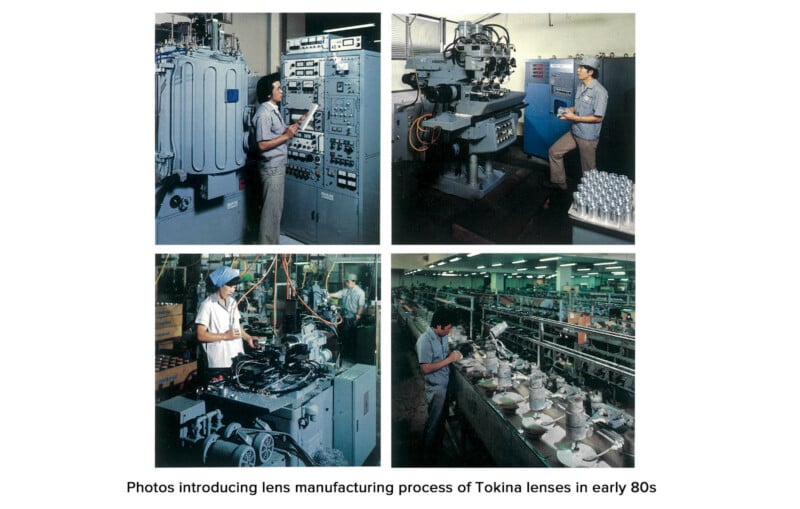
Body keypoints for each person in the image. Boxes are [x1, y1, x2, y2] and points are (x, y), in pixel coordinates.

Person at [545, 56, 608, 191]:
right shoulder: (581, 86)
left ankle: (591, 195)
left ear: (590, 72)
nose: (578, 70)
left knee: (588, 170)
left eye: (582, 68)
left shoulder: (600, 91)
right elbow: (579, 107)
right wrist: (570, 110)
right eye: (579, 67)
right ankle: (559, 184)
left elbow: (598, 118)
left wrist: (574, 117)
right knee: (554, 152)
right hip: (575, 131)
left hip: (587, 137)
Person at [251, 73, 300, 244]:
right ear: (268, 93)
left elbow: (278, 133)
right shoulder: (264, 113)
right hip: (271, 169)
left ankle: (272, 244)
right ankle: (267, 247)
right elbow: (262, 145)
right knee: (271, 213)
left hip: (277, 166)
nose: (282, 91)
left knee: (274, 211)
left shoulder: (273, 110)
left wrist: (297, 124)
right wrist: (287, 136)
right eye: (278, 88)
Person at [415, 308, 463, 465]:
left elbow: (442, 354)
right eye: (448, 328)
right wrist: (450, 359)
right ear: (439, 326)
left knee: (441, 421)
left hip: (444, 385)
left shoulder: (442, 336)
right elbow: (426, 368)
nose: (449, 331)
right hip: (436, 389)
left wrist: (453, 352)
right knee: (434, 423)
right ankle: (426, 459)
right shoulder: (425, 341)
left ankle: (436, 450)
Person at [195, 266, 255, 382]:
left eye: (234, 287)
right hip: (219, 361)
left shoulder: (232, 302)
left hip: (237, 357)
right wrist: (225, 336)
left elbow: (236, 326)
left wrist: (248, 338)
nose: (232, 290)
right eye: (230, 286)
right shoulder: (207, 305)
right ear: (220, 285)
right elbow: (200, 335)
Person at [329, 273, 366, 359]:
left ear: (353, 281)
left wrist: (358, 315)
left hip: (353, 317)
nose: (346, 283)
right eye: (346, 281)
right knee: (344, 335)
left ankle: (351, 355)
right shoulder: (346, 290)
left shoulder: (360, 292)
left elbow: (361, 305)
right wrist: (327, 294)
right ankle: (345, 354)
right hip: (345, 316)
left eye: (347, 281)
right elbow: (338, 294)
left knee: (352, 336)